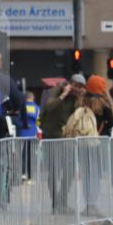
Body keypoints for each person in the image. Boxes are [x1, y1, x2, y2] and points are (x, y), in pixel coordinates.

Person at [41, 74, 86, 212]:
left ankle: (62, 200)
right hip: (52, 136)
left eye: (81, 87)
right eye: (77, 86)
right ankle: (55, 203)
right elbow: (48, 107)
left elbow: (79, 114)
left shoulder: (77, 98)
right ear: (70, 83)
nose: (78, 89)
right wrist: (64, 94)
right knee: (54, 171)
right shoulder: (56, 90)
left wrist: (80, 97)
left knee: (69, 169)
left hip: (67, 137)